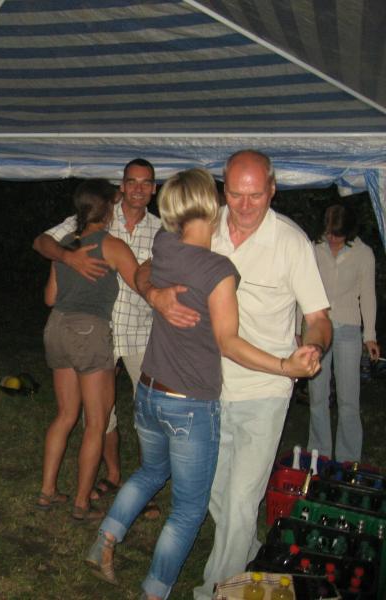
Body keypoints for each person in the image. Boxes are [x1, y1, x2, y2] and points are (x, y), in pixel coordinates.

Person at [84, 168, 320, 599]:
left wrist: (156, 292)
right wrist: (285, 365)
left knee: (152, 470)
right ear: (214, 204)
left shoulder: (164, 242)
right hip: (190, 403)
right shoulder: (218, 268)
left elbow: (146, 267)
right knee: (189, 510)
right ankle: (156, 590)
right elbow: (228, 343)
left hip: (148, 391)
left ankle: (105, 539)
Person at [34, 159, 161, 512]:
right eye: (130, 183)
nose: (136, 189)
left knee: (66, 415)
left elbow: (49, 298)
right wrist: (151, 273)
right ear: (110, 206)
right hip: (92, 335)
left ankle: (47, 491)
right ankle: (81, 501)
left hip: (59, 329)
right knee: (97, 421)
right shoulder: (111, 243)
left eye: (144, 183)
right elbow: (140, 284)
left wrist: (67, 262)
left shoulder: (69, 242)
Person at [308, 204, 379, 462]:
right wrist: (295, 330)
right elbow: (300, 289)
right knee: (317, 396)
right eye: (328, 232)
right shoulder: (313, 249)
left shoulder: (363, 253)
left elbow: (368, 295)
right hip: (316, 328)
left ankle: (348, 460)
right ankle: (319, 455)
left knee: (348, 399)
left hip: (348, 330)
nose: (331, 238)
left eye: (337, 234)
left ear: (348, 231)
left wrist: (369, 336)